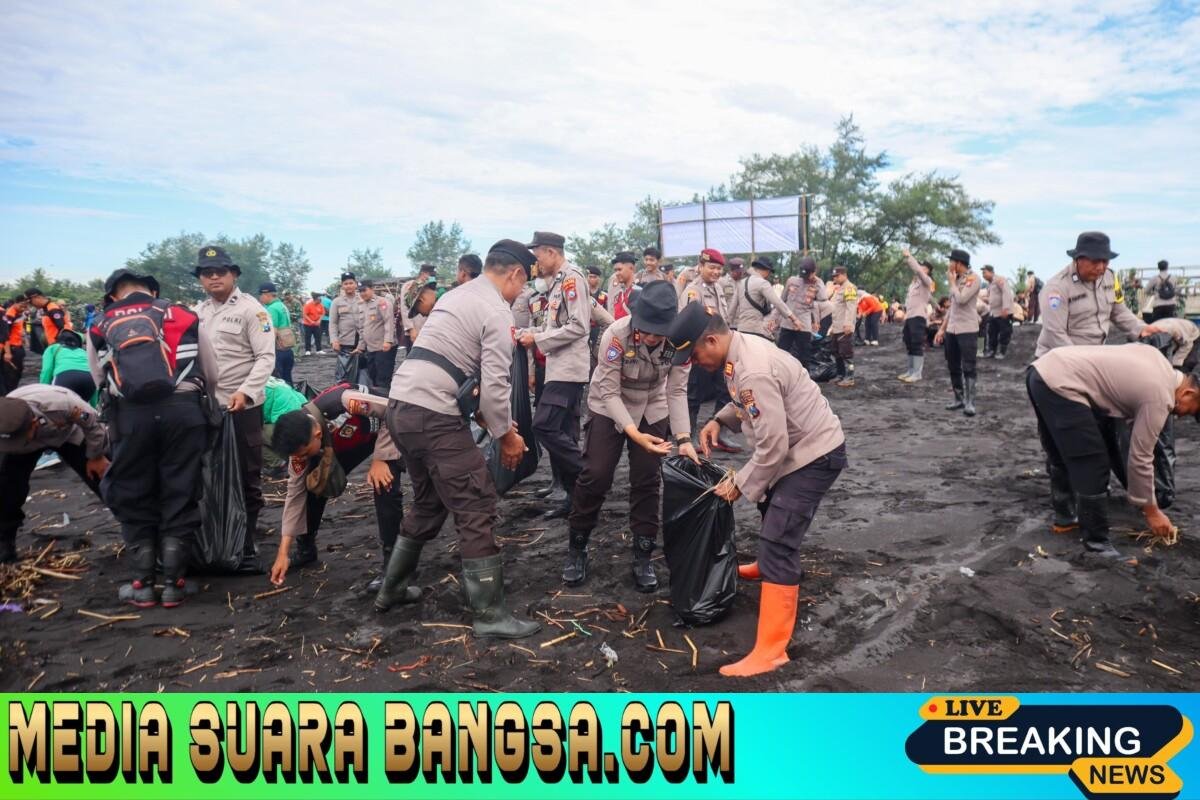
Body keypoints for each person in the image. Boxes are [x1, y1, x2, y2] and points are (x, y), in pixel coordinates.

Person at [668, 302, 846, 677]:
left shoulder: (752, 370)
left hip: (813, 454)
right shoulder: (739, 351)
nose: (694, 362)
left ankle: (771, 650)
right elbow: (747, 405)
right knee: (770, 502)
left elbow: (774, 447)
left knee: (779, 538)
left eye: (695, 354)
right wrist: (719, 419)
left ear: (712, 340)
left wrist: (739, 483)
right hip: (795, 449)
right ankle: (766, 567)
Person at [374, 239, 540, 640]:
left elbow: (456, 371)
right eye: (523, 285)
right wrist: (506, 437)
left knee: (430, 500)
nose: (520, 294)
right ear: (516, 274)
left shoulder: (457, 296)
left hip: (402, 409)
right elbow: (497, 384)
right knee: (476, 500)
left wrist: (489, 417)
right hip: (433, 415)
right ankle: (489, 614)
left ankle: (392, 588)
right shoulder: (495, 310)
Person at [88, 268, 217, 606]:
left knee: (133, 490)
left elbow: (99, 377)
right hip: (184, 412)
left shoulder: (100, 323)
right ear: (153, 291)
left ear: (113, 295)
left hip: (130, 417)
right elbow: (210, 369)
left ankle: (142, 584)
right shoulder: (182, 315)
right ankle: (175, 583)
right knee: (181, 488)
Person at [565, 282, 695, 590]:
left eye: (658, 332)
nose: (651, 337)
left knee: (647, 478)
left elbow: (676, 390)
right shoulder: (615, 335)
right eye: (646, 330)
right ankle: (577, 546)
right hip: (610, 406)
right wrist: (633, 434)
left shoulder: (680, 343)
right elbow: (609, 391)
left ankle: (643, 553)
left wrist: (684, 437)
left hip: (653, 404)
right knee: (595, 474)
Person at [1027, 344, 1198, 560]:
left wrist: (1137, 492)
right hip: (1062, 382)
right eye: (1190, 410)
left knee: (1063, 451)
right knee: (1093, 462)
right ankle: (1097, 545)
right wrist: (1152, 512)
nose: (1181, 416)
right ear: (1189, 392)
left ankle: (1065, 520)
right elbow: (1141, 457)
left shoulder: (1157, 361)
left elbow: (1118, 441)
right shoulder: (1159, 396)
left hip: (1042, 371)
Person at [267, 382, 404, 591]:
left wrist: (380, 458)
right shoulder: (300, 446)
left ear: (316, 433)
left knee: (383, 483)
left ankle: (394, 564)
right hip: (346, 443)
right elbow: (294, 495)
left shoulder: (345, 402)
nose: (300, 459)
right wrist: (283, 552)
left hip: (387, 430)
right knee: (310, 482)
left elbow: (394, 411)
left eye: (303, 453)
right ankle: (306, 549)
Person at [194, 246, 276, 574]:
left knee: (246, 475)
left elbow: (266, 358)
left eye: (220, 271)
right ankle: (216, 537)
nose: (214, 277)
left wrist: (245, 392)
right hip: (205, 408)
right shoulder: (197, 313)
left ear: (234, 275)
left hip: (241, 408)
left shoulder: (251, 311)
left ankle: (247, 543)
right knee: (208, 475)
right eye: (207, 272)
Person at [516, 231, 591, 521]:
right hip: (559, 368)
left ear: (550, 252)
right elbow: (555, 325)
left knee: (543, 426)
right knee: (567, 432)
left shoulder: (572, 280)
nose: (536, 264)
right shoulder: (557, 283)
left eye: (537, 257)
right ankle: (574, 500)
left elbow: (578, 327)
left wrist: (538, 341)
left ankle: (588, 474)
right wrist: (529, 333)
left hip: (568, 370)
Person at [0, 385, 110, 563]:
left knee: (106, 478)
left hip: (68, 433)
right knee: (6, 489)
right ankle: (5, 544)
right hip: (22, 447)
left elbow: (93, 425)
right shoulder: (6, 423)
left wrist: (96, 455)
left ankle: (140, 536)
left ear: (34, 423)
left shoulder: (62, 404)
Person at [1035, 232, 1158, 358]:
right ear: (1078, 259)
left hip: (1093, 357)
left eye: (1105, 261)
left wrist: (1141, 329)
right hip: (1057, 361)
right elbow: (1055, 334)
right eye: (1095, 261)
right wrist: (1081, 362)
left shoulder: (1110, 277)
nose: (1100, 267)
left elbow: (1119, 311)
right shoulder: (1057, 288)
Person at [679, 248, 737, 448]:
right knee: (693, 394)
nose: (716, 272)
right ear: (701, 266)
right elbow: (689, 322)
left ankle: (719, 432)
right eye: (711, 267)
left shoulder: (718, 288)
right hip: (701, 351)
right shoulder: (693, 291)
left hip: (720, 351)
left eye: (719, 269)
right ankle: (690, 434)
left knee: (726, 391)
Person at [934, 249, 980, 416]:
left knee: (968, 366)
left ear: (959, 263)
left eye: (951, 261)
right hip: (952, 329)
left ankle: (970, 402)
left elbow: (961, 300)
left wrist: (952, 283)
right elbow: (952, 308)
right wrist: (941, 329)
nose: (949, 265)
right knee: (953, 364)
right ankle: (958, 398)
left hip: (967, 329)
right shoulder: (957, 279)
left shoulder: (973, 278)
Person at [728, 256, 800, 339]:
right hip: (756, 330)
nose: (769, 275)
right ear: (766, 271)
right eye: (769, 272)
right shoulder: (763, 283)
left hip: (741, 329)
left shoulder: (741, 283)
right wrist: (794, 319)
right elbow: (778, 303)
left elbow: (731, 309)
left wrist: (727, 324)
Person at [775, 257, 826, 366]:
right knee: (781, 353)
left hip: (804, 325)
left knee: (804, 356)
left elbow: (823, 298)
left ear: (813, 272)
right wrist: (775, 319)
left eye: (808, 275)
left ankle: (805, 381)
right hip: (788, 324)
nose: (805, 278)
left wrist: (818, 281)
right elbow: (781, 301)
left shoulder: (817, 284)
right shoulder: (792, 281)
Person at [898, 251, 934, 382]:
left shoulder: (927, 280)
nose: (919, 268)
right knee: (909, 342)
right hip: (910, 316)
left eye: (922, 267)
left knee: (916, 343)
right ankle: (911, 370)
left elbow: (918, 271)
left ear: (928, 270)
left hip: (918, 316)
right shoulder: (914, 284)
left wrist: (909, 257)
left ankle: (917, 373)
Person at [38, 328, 95, 403]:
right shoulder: (83, 351)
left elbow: (47, 370)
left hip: (65, 376)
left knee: (59, 409)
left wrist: (43, 392)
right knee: (85, 409)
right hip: (89, 378)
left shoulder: (52, 348)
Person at [358, 279, 396, 389]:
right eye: (360, 291)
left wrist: (388, 341)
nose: (362, 293)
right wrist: (360, 346)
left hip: (383, 347)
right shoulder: (361, 305)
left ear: (372, 289)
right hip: (371, 348)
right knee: (372, 375)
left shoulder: (382, 302)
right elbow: (362, 328)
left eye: (364, 290)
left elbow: (389, 322)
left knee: (383, 377)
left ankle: (385, 400)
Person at [329, 272, 365, 383]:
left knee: (363, 373)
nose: (348, 286)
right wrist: (334, 340)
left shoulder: (363, 299)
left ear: (356, 284)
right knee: (343, 373)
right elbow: (333, 323)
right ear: (342, 285)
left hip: (363, 341)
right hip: (345, 341)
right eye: (346, 283)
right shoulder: (336, 302)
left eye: (351, 283)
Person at [259, 282, 296, 385]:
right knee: (288, 380)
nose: (260, 299)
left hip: (277, 349)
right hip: (288, 349)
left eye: (260, 295)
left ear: (266, 295)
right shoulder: (282, 306)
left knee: (278, 382)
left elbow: (270, 331)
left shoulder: (271, 309)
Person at [827, 266, 858, 388]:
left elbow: (851, 308)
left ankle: (850, 377)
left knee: (847, 354)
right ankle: (841, 374)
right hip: (836, 326)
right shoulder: (839, 289)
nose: (835, 278)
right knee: (836, 352)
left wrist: (848, 324)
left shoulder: (849, 288)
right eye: (834, 276)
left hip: (845, 327)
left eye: (837, 276)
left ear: (844, 275)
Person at [980, 266, 1014, 359]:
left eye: (985, 273)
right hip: (993, 312)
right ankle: (992, 351)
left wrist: (1006, 308)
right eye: (982, 273)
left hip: (1003, 311)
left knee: (1005, 332)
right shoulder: (990, 284)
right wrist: (985, 299)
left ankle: (1002, 352)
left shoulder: (999, 279)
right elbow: (993, 297)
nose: (983, 275)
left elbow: (1006, 293)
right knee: (992, 332)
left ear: (991, 272)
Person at [1, 296, 28, 395]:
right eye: (22, 305)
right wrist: (7, 352)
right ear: (16, 303)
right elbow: (5, 335)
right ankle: (9, 396)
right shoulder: (10, 315)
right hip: (12, 348)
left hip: (18, 346)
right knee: (11, 375)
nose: (24, 308)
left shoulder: (18, 314)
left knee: (16, 374)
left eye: (25, 306)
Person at [606, 252, 639, 319]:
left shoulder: (638, 291)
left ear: (632, 268)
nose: (617, 273)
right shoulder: (621, 294)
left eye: (619, 269)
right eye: (615, 270)